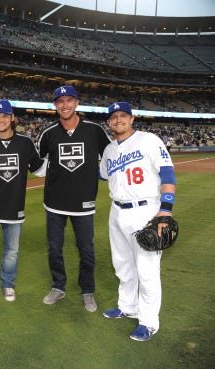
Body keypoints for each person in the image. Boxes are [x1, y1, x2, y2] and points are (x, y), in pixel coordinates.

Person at [99, 102, 176, 342]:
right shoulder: (109, 150)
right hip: (117, 211)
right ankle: (127, 306)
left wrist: (165, 211)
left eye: (123, 116)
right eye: (113, 117)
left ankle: (149, 322)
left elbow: (167, 173)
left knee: (147, 270)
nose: (118, 120)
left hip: (146, 211)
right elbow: (102, 174)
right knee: (122, 264)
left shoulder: (149, 140)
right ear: (109, 122)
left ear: (132, 119)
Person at [37, 85, 111, 312]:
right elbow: (38, 167)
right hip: (55, 203)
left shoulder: (94, 130)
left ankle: (87, 290)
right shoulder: (48, 134)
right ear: (55, 106)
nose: (65, 105)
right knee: (54, 249)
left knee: (86, 250)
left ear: (77, 103)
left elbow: (111, 158)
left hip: (84, 203)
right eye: (60, 101)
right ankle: (58, 286)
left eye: (69, 100)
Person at [0, 99, 44, 302]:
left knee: (12, 252)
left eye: (5, 116)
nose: (1, 120)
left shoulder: (25, 142)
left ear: (12, 118)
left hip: (14, 208)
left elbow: (39, 169)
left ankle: (7, 284)